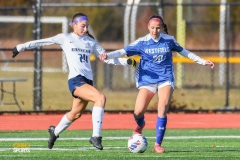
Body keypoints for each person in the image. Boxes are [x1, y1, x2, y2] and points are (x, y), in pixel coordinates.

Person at [12, 12, 136, 150]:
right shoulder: (65, 38)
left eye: (87, 26)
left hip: (87, 82)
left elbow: (105, 57)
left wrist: (127, 61)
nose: (85, 29)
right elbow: (42, 42)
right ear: (74, 25)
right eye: (83, 26)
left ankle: (55, 132)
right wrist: (21, 46)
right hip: (76, 80)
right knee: (100, 98)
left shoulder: (90, 42)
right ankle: (96, 136)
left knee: (75, 114)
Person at [100, 15, 215, 153]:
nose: (155, 31)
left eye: (158, 28)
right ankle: (140, 125)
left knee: (163, 107)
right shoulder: (142, 42)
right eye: (152, 28)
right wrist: (108, 55)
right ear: (148, 27)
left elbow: (185, 52)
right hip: (147, 79)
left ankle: (157, 144)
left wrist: (203, 61)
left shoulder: (169, 40)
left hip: (165, 78)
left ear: (161, 28)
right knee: (138, 111)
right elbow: (123, 51)